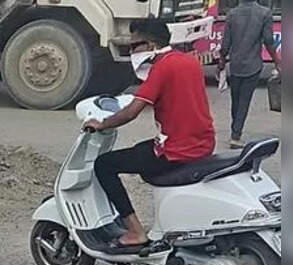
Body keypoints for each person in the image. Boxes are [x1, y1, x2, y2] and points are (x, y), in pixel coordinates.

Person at [83, 19, 215, 250]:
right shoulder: (189, 61)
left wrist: (101, 124)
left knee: (104, 164)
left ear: (151, 45)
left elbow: (131, 112)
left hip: (177, 150)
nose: (131, 51)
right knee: (139, 151)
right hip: (202, 143)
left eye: (135, 46)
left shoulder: (162, 68)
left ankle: (135, 231)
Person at [217, 0, 280, 148]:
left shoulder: (232, 14)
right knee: (244, 101)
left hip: (235, 65)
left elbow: (225, 44)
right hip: (253, 65)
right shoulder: (265, 13)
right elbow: (269, 41)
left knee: (236, 100)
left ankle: (235, 130)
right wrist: (277, 61)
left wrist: (221, 62)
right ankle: (235, 135)